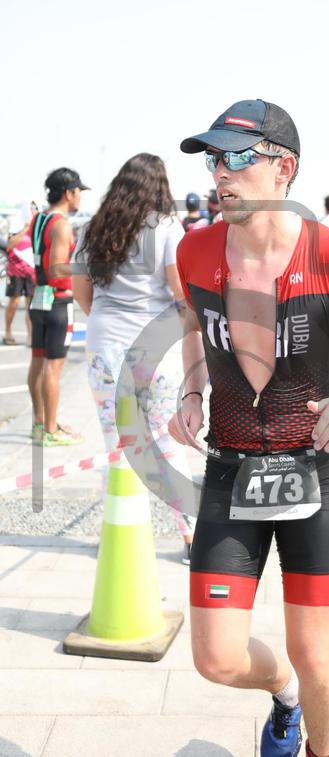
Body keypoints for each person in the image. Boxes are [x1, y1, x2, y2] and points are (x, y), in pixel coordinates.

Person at [169, 98, 329, 757]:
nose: (220, 173)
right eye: (213, 160)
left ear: (284, 168)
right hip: (230, 469)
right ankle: (283, 694)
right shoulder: (194, 250)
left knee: (315, 653)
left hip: (313, 471)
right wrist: (192, 389)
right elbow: (192, 324)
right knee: (216, 658)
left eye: (237, 158)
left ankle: (321, 750)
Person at [72, 153, 196, 563]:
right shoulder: (167, 228)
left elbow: (82, 294)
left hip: (104, 348)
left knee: (116, 446)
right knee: (166, 443)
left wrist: (110, 325)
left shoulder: (92, 228)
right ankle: (191, 537)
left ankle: (117, 539)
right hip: (155, 352)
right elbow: (180, 292)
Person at [22, 168, 88, 446]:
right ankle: (51, 430)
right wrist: (90, 269)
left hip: (39, 297)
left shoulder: (39, 218)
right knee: (53, 366)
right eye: (79, 191)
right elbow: (57, 269)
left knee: (38, 361)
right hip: (58, 301)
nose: (80, 197)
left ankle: (40, 423)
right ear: (69, 193)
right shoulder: (61, 224)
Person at [4, 203, 37, 345]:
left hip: (31, 271)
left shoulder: (37, 227)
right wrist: (25, 229)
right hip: (15, 270)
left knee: (30, 303)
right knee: (15, 301)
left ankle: (30, 336)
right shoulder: (17, 226)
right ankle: (8, 331)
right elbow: (9, 245)